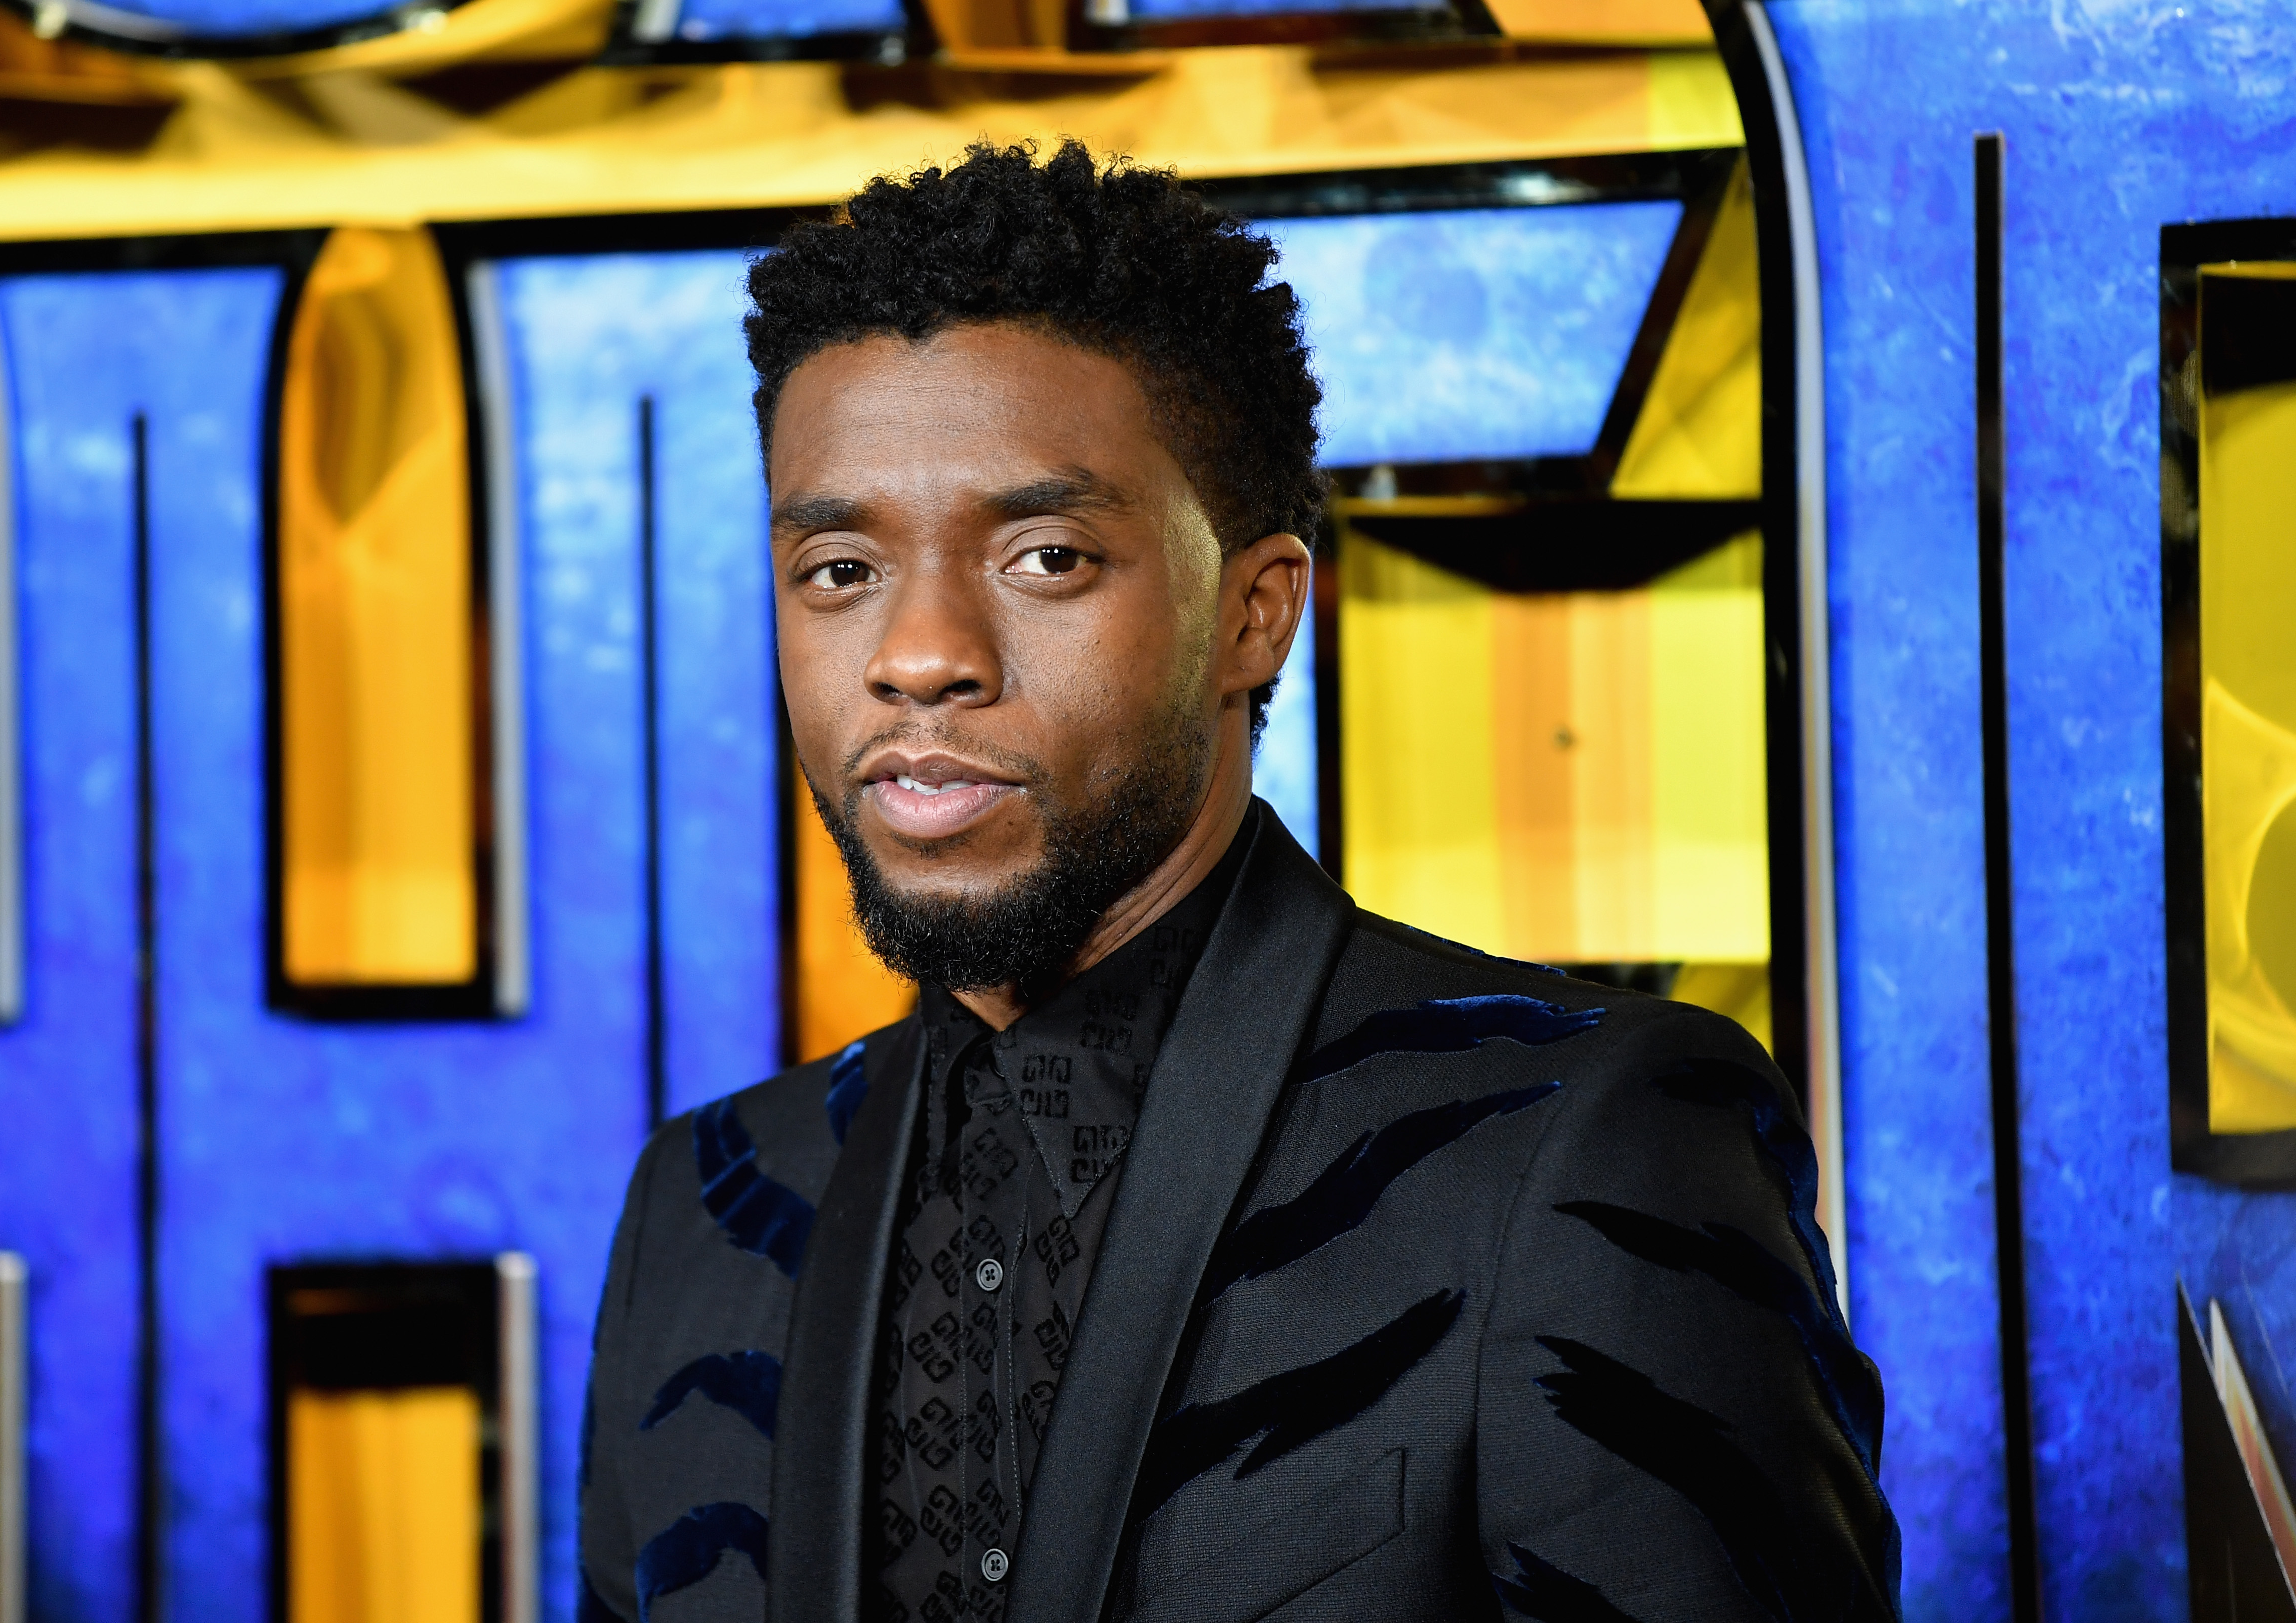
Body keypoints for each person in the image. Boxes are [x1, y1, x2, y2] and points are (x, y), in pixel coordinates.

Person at [579, 139, 1898, 1623]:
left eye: (1046, 554)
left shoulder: (1585, 1143)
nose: (917, 650)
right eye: (838, 569)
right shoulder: (705, 1211)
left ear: (1256, 613)